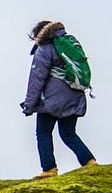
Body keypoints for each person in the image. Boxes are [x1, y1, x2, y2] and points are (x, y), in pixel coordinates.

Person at [21, 20, 98, 179]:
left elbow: (37, 79)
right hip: (74, 97)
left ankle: (49, 169)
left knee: (43, 133)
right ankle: (89, 162)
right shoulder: (67, 45)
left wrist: (29, 105)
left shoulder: (44, 49)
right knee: (68, 133)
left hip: (51, 101)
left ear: (39, 35)